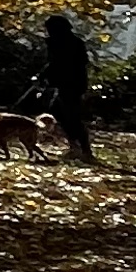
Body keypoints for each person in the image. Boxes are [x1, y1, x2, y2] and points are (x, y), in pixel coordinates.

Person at [40, 14, 95, 166]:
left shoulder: (69, 43)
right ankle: (75, 146)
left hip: (72, 83)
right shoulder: (61, 42)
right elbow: (53, 63)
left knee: (71, 115)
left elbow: (62, 63)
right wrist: (45, 74)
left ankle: (84, 150)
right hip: (66, 83)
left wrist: (48, 74)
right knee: (59, 112)